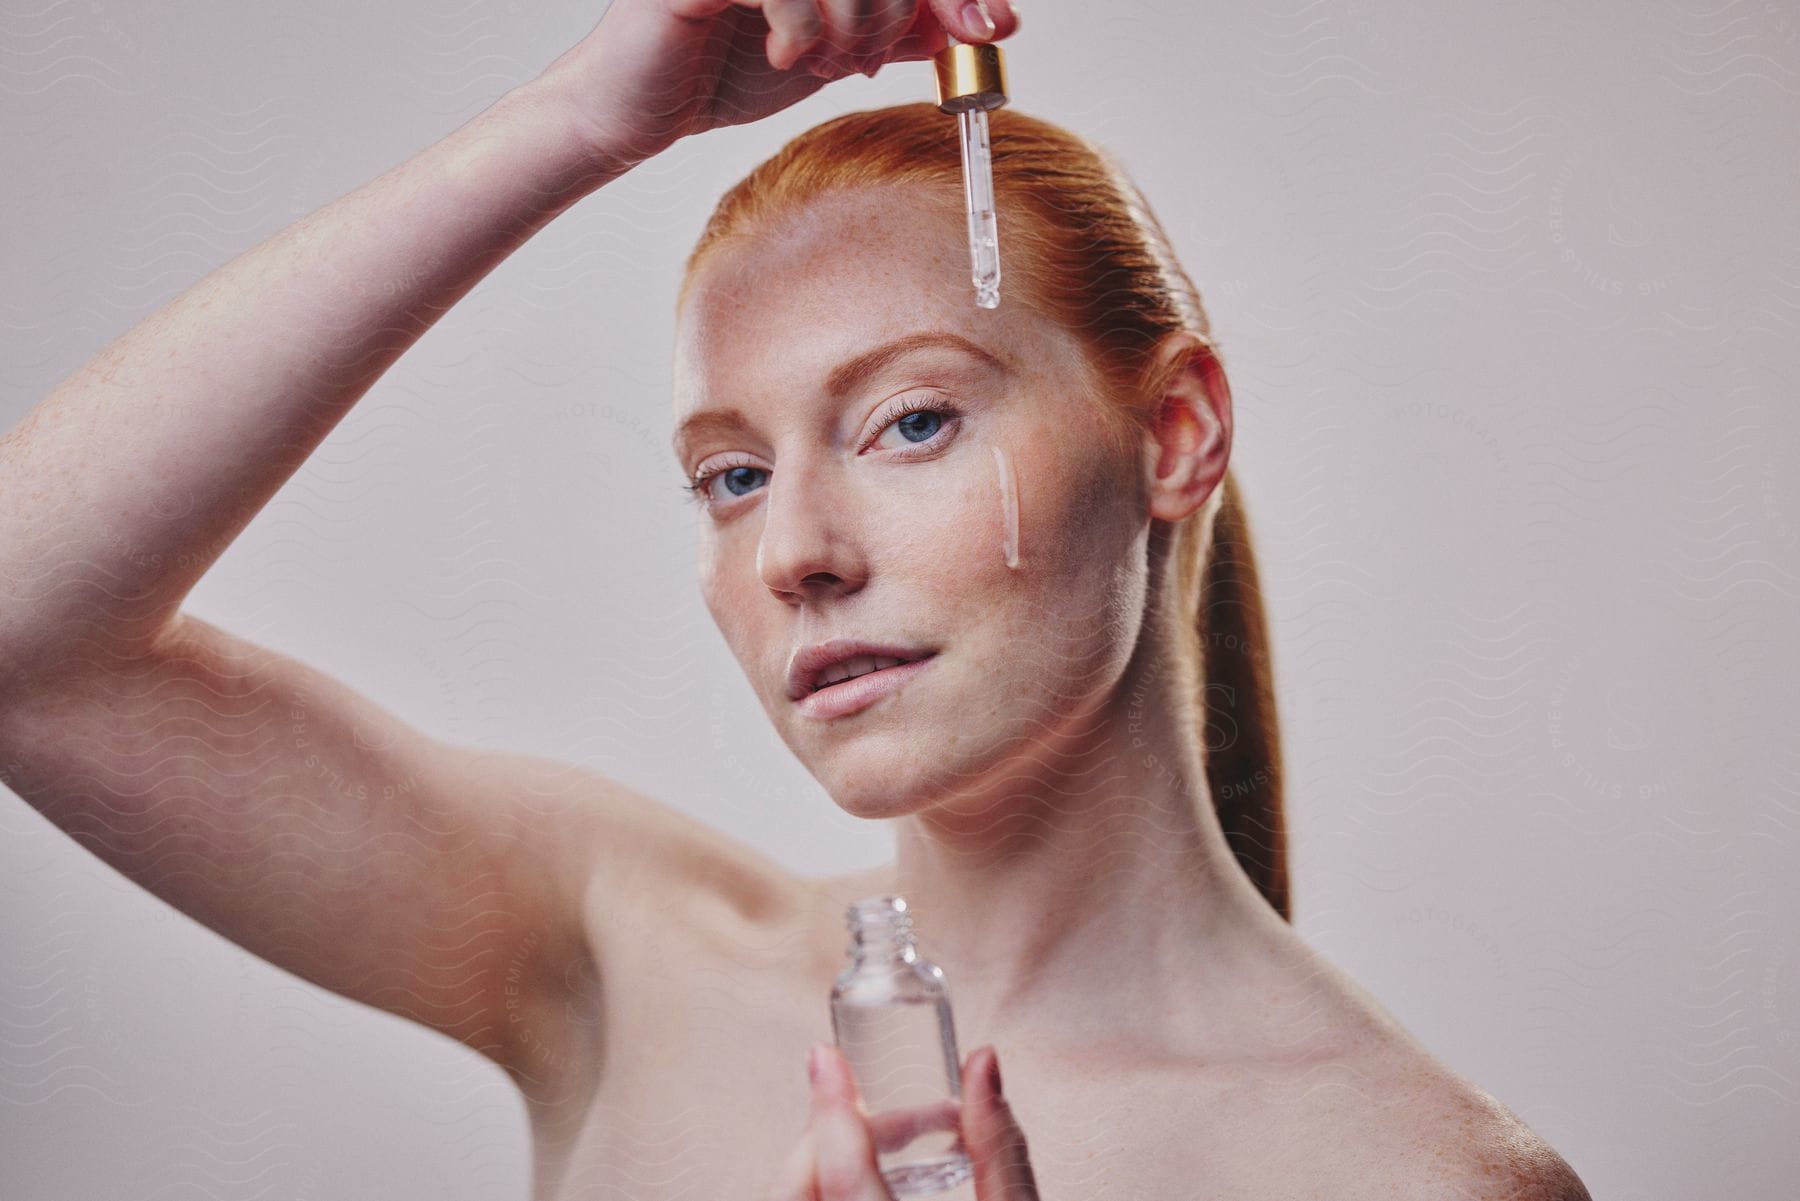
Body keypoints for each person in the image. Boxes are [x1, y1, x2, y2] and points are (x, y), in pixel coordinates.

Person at [0, 2, 1592, 1198]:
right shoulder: (628, 953)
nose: (794, 552)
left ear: (1175, 437)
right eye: (731, 474)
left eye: (911, 421)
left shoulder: (1411, 1172)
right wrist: (575, 123)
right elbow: (27, 641)